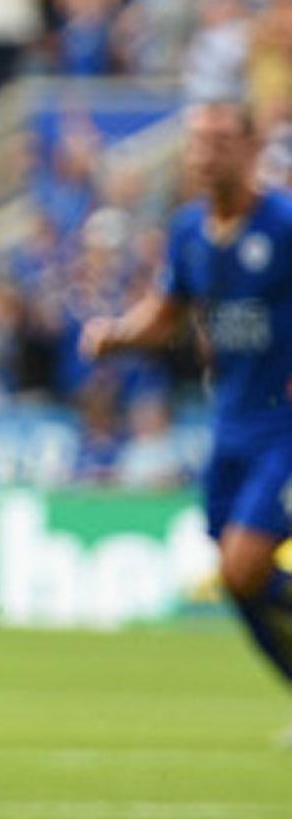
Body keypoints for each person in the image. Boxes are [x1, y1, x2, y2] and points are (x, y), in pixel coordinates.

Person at [82, 101, 292, 737]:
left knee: (243, 565)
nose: (206, 154)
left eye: (221, 141)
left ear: (252, 149)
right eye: (198, 142)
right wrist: (119, 337)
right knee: (235, 578)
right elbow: (169, 310)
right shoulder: (188, 232)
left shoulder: (282, 226)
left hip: (283, 429)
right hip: (228, 425)